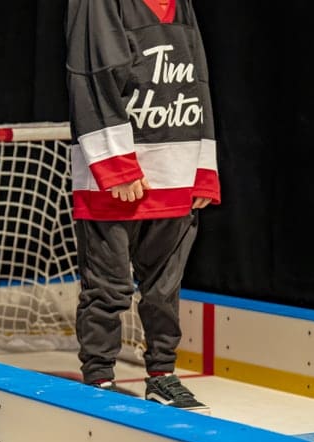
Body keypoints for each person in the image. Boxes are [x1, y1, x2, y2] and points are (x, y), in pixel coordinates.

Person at [64, 0, 220, 413]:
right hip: (118, 173)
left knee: (164, 290)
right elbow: (91, 76)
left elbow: (197, 80)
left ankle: (162, 376)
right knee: (108, 287)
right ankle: (99, 376)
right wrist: (116, 165)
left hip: (175, 169)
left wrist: (204, 168)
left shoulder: (183, 5)